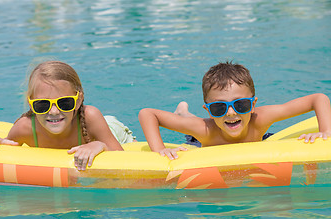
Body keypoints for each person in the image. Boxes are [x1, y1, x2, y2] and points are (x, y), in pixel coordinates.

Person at [139, 61, 331, 160]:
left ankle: (186, 113)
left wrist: (325, 131)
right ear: (208, 110)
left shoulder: (261, 118)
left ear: (253, 105)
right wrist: (160, 149)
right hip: (207, 141)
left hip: (255, 136)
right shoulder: (203, 129)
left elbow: (318, 98)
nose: (231, 112)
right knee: (189, 128)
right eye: (219, 107)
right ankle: (183, 113)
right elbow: (148, 113)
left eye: (240, 105)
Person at [0, 61, 134, 170]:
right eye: (43, 105)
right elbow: (8, 148)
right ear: (32, 104)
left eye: (64, 103)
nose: (54, 112)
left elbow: (122, 159)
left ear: (78, 102)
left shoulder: (90, 116)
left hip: (111, 131)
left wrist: (101, 145)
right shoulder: (25, 127)